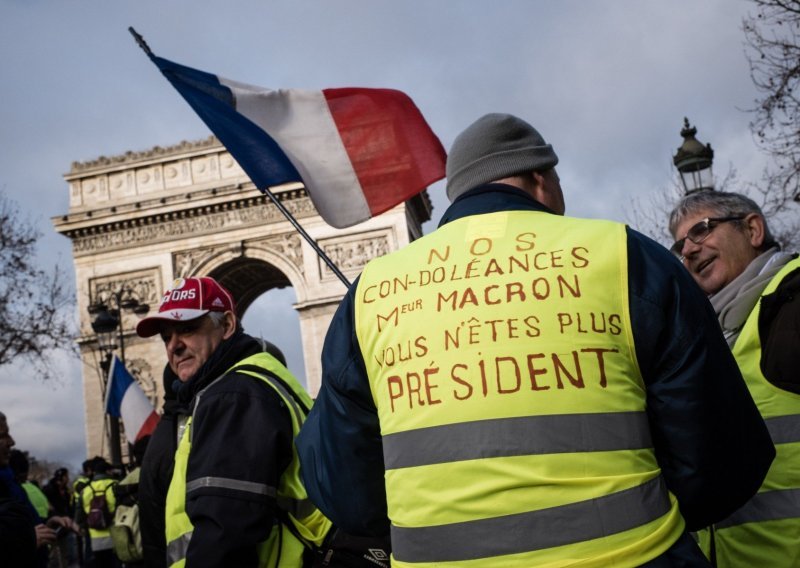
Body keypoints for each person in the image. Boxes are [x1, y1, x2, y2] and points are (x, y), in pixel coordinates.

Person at [296, 113, 776, 566]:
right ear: (541, 179)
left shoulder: (372, 291)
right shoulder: (626, 256)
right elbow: (722, 454)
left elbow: (342, 485)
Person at [134, 276, 330, 567]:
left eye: (187, 328)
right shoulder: (254, 384)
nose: (173, 347)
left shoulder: (234, 396)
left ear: (226, 325)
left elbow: (225, 532)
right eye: (166, 337)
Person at [669, 190, 800, 567]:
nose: (689, 250)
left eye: (702, 230)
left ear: (753, 229)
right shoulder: (712, 334)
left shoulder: (793, 298)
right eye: (680, 244)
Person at [0, 411, 78, 567]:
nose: (12, 442)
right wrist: (26, 540)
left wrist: (48, 524)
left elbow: (19, 525)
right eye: (3, 435)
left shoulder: (10, 481)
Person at [79, 457, 119, 568]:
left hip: (95, 538)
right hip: (116, 535)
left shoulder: (86, 490)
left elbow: (80, 514)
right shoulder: (116, 485)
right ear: (108, 471)